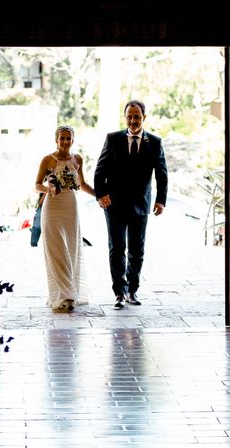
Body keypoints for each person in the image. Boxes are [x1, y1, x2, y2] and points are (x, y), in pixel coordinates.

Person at [94, 99, 168, 309]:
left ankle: (132, 291)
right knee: (116, 248)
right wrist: (101, 194)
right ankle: (119, 292)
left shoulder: (154, 142)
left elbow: (162, 173)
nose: (133, 121)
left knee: (137, 249)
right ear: (125, 117)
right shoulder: (113, 138)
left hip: (140, 205)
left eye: (137, 117)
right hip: (114, 204)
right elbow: (100, 169)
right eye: (129, 117)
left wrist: (160, 200)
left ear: (144, 118)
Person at [35, 125, 96, 312]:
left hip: (70, 205)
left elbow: (82, 183)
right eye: (62, 138)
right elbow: (37, 184)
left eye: (68, 138)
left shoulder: (78, 159)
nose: (65, 142)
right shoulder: (47, 159)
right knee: (56, 250)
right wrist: (49, 189)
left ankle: (72, 293)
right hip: (52, 206)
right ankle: (64, 295)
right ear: (56, 139)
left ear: (73, 140)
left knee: (72, 249)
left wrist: (99, 195)